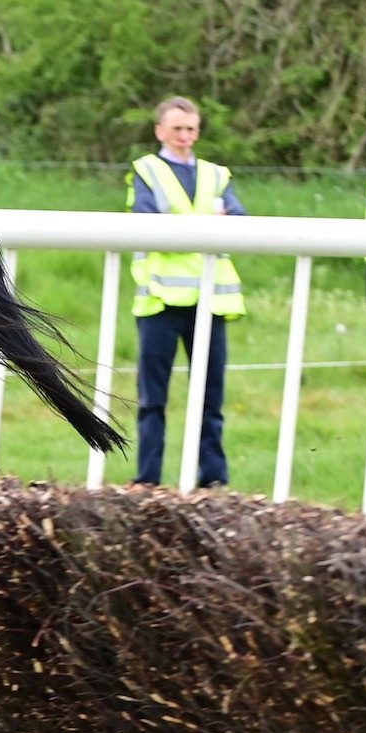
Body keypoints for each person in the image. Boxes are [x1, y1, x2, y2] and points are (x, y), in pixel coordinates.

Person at [126, 97, 246, 488]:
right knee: (152, 400)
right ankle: (148, 482)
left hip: (210, 299)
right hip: (160, 298)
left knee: (211, 400)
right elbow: (148, 223)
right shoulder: (146, 170)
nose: (185, 136)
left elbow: (240, 221)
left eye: (191, 128)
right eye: (177, 128)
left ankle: (213, 481)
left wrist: (189, 227)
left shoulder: (216, 173)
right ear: (160, 131)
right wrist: (206, 224)